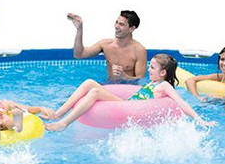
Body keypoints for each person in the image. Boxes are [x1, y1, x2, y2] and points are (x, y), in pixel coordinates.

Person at [44, 54, 215, 132]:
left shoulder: (164, 86)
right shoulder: (154, 82)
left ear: (163, 73)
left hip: (129, 108)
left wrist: (199, 119)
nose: (149, 70)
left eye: (152, 67)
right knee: (89, 82)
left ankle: (64, 123)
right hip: (127, 103)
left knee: (95, 91)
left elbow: (181, 103)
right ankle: (58, 114)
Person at [67, 10, 147, 81]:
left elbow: (140, 80)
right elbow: (79, 55)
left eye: (121, 24)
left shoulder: (139, 51)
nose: (116, 26)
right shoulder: (105, 45)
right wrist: (79, 29)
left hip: (129, 89)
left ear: (131, 29)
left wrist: (124, 77)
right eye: (116, 22)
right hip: (109, 86)